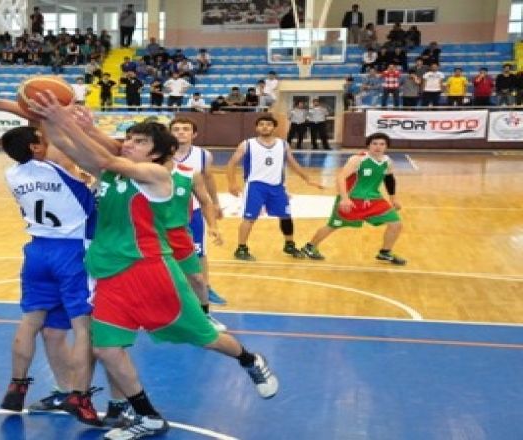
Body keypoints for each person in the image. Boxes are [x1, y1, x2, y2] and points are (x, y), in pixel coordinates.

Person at [28, 97, 279, 440]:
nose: (129, 143)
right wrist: (45, 117)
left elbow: (102, 155)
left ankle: (250, 359)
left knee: (204, 337)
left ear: (157, 153)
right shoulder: (111, 172)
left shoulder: (156, 174)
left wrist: (68, 120)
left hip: (151, 271)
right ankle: (148, 416)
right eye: (128, 138)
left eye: (139, 141)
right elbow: (66, 145)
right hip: (110, 274)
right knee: (106, 348)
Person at [0, 126, 100, 425]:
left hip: (38, 250)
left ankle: (17, 386)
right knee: (83, 328)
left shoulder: (12, 174)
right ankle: (79, 398)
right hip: (72, 251)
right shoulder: (60, 168)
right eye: (42, 140)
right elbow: (66, 146)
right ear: (36, 147)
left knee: (35, 323)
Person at [226, 115, 323, 261]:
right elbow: (231, 164)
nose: (265, 127)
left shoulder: (283, 144)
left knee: (286, 217)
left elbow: (293, 163)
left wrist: (308, 179)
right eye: (262, 124)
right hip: (255, 186)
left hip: (277, 187)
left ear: (274, 127)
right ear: (256, 127)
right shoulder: (247, 144)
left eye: (269, 124)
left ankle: (289, 245)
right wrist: (232, 183)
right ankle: (241, 248)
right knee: (249, 218)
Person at [301, 133, 406, 265]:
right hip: (352, 199)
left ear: (386, 147)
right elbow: (341, 177)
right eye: (374, 143)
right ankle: (310, 247)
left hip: (374, 199)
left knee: (396, 224)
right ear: (369, 145)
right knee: (333, 225)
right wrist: (345, 199)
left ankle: (385, 252)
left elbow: (389, 179)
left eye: (382, 144)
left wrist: (393, 198)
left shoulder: (387, 161)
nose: (378, 147)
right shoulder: (358, 160)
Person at [170, 117, 227, 306]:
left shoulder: (203, 155)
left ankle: (206, 287)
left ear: (194, 134)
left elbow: (208, 179)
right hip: (164, 214)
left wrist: (215, 203)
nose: (181, 132)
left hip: (192, 211)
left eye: (185, 129)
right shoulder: (160, 155)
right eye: (176, 129)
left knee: (199, 252)